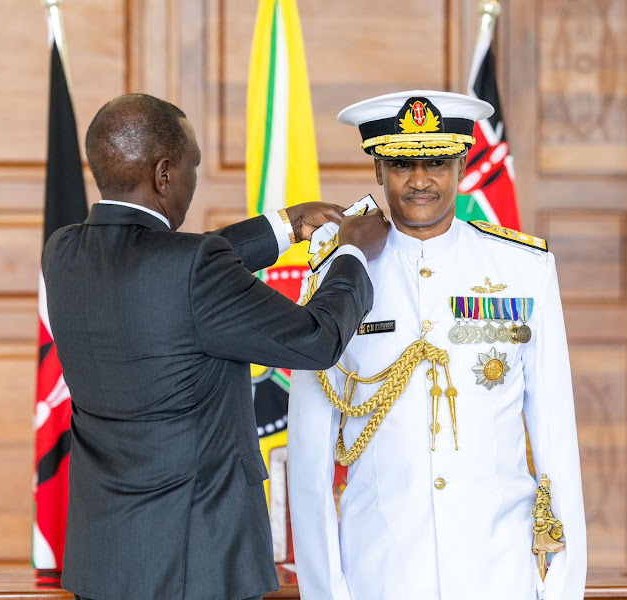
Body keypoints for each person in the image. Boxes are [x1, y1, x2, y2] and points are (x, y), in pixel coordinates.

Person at [41, 93, 389, 600]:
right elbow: (318, 340)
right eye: (192, 165)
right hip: (193, 564)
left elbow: (164, 265)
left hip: (103, 563)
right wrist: (355, 251)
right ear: (164, 174)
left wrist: (284, 226)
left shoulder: (63, 252)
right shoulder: (192, 270)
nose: (193, 178)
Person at [287, 91, 587, 599]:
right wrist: (327, 591)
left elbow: (556, 436)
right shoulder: (333, 281)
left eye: (437, 163)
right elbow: (310, 459)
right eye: (403, 164)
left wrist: (561, 586)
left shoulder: (523, 271)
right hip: (378, 574)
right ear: (378, 169)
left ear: (464, 163)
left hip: (499, 574)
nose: (421, 180)